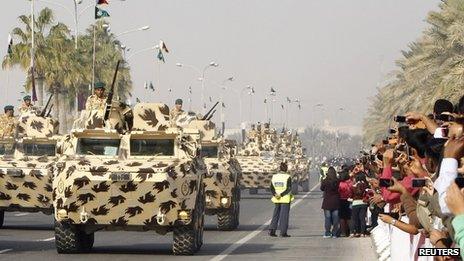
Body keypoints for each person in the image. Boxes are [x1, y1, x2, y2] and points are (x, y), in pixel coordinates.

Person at [269, 161, 293, 237]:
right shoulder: (287, 177)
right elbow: (289, 188)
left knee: (275, 214)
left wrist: (276, 194)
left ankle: (272, 230)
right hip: (285, 198)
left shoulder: (274, 176)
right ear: (286, 169)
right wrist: (281, 195)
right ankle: (283, 232)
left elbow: (272, 187)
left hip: (276, 198)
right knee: (284, 215)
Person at [321, 167, 340, 238]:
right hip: (336, 201)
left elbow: (322, 188)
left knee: (327, 218)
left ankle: (327, 232)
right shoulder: (337, 181)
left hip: (327, 202)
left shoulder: (325, 181)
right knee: (335, 218)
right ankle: (335, 233)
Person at [351, 172, 369, 237]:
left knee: (354, 219)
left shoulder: (354, 186)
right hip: (363, 203)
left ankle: (354, 232)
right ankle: (362, 233)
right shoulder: (366, 185)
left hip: (355, 203)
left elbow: (351, 195)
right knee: (362, 218)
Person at [338, 170, 352, 237]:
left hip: (341, 201)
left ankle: (343, 232)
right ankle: (350, 231)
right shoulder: (350, 183)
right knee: (349, 217)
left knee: (342, 217)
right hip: (349, 201)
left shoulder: (340, 184)